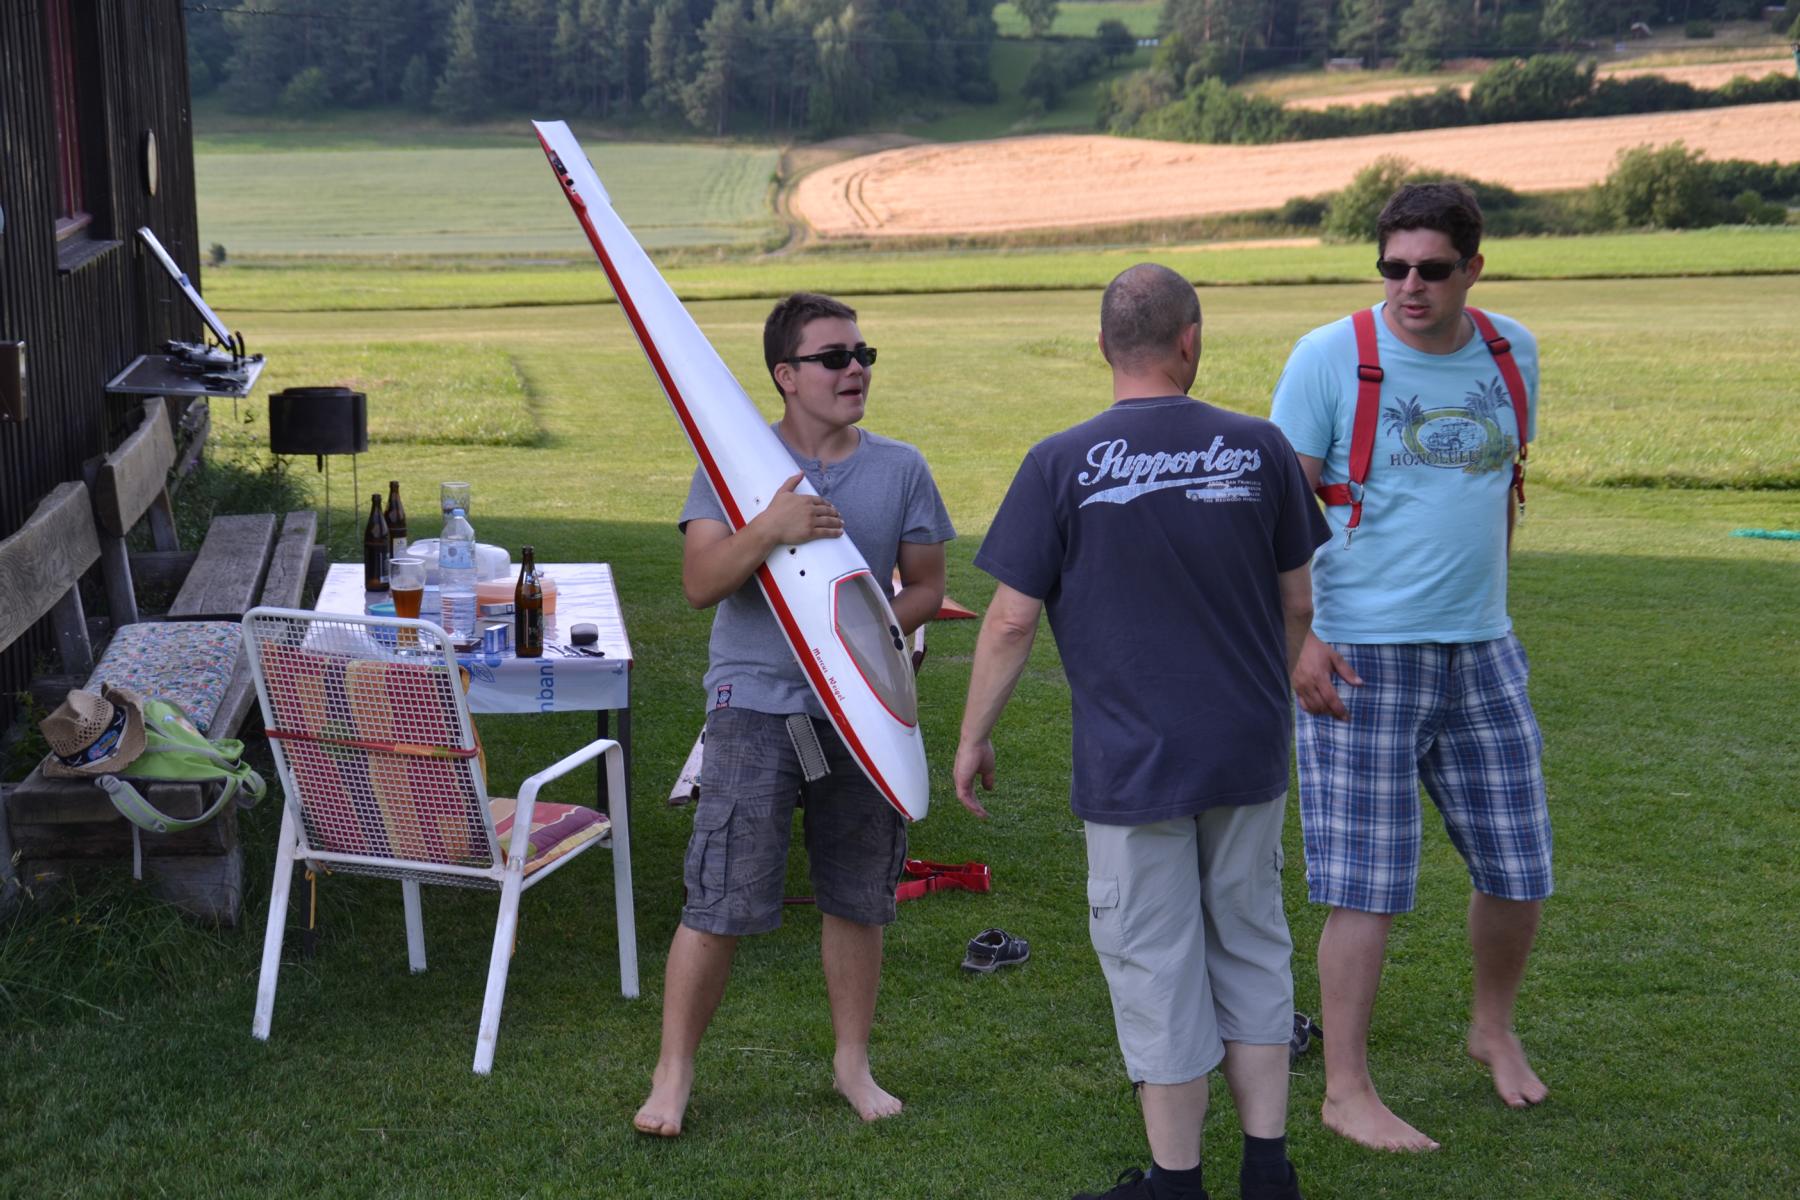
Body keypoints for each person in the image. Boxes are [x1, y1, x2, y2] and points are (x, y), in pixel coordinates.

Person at [955, 264, 1327, 1200]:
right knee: (1253, 942)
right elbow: (1298, 603)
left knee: (1155, 964)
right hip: (1246, 750)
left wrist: (972, 736)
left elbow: (1009, 621)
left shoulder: (1058, 461)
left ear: (1102, 347)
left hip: (1132, 766)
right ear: (1190, 341)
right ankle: (1268, 1171)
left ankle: (1176, 1181)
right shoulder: (1261, 447)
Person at [1268, 182, 1551, 1153]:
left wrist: (1488, 606)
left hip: (1483, 649)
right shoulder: (1328, 356)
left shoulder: (1513, 352)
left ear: (1474, 267)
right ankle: (1345, 1090)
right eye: (1393, 268)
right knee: (1367, 885)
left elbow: (1500, 487)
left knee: (1520, 865)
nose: (1409, 286)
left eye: (1432, 269)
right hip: (1358, 656)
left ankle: (1492, 1029)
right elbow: (1280, 513)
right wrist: (1301, 639)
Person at [633, 292, 955, 1137]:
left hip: (859, 713)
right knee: (723, 893)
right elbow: (701, 583)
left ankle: (853, 1065)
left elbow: (926, 586)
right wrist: (771, 525)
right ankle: (673, 1074)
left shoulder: (901, 468)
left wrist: (864, 642)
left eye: (863, 355)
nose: (856, 369)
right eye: (834, 357)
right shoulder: (734, 466)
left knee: (859, 893)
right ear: (785, 374)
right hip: (753, 704)